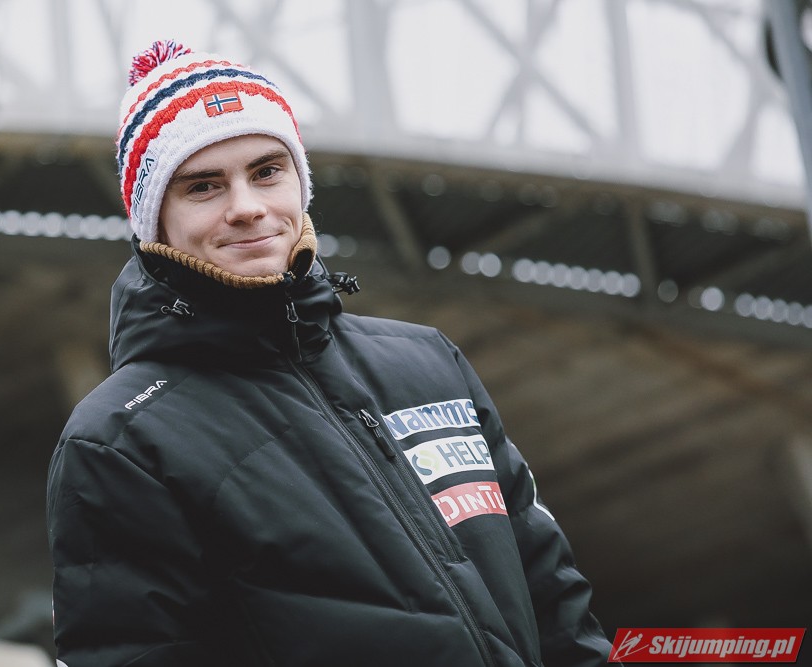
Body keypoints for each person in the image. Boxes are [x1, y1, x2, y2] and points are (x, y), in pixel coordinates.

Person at [47, 39, 614, 667]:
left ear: (301, 182)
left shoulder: (428, 362)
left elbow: (554, 600)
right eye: (203, 186)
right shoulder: (119, 442)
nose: (248, 208)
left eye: (267, 171)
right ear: (154, 222)